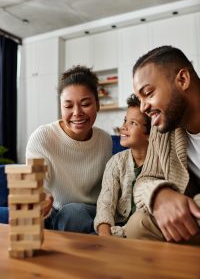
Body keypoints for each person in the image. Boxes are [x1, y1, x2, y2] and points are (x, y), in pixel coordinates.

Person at [125, 45, 200, 245]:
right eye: (140, 99)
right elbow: (144, 180)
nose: (143, 107)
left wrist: (187, 206)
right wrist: (159, 195)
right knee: (138, 224)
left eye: (148, 93)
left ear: (182, 80)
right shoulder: (163, 127)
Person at [26, 65, 112, 233]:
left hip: (92, 213)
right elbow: (33, 182)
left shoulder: (104, 140)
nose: (77, 113)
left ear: (98, 104)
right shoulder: (43, 137)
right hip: (56, 214)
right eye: (68, 106)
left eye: (85, 104)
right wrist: (40, 196)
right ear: (60, 107)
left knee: (79, 214)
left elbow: (107, 189)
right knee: (71, 214)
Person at [94, 94, 151, 237]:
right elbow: (105, 204)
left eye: (133, 123)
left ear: (150, 133)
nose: (123, 127)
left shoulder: (160, 163)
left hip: (142, 232)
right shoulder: (116, 162)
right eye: (125, 120)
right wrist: (105, 236)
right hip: (114, 231)